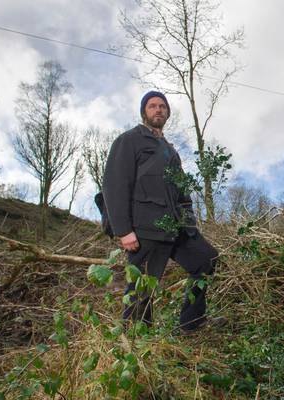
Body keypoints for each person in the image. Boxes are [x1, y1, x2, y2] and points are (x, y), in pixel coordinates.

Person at [103, 90, 220, 333]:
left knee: (205, 260)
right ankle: (137, 340)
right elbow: (114, 185)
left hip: (176, 227)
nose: (158, 109)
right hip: (145, 228)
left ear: (167, 113)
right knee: (142, 287)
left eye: (162, 106)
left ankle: (191, 324)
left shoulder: (170, 151)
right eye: (152, 106)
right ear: (144, 112)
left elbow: (183, 194)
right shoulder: (129, 140)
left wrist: (189, 224)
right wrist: (124, 230)